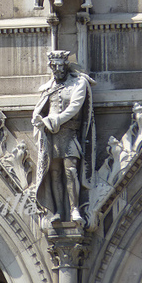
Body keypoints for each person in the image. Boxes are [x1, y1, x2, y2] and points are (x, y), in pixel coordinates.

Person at [31, 50, 95, 225]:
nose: (57, 70)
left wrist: (53, 120)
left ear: (65, 66)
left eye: (60, 67)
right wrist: (38, 120)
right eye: (54, 67)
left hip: (69, 133)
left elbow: (74, 107)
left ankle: (74, 209)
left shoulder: (78, 84)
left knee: (71, 171)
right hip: (52, 136)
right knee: (55, 172)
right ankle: (58, 210)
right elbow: (39, 109)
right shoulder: (49, 87)